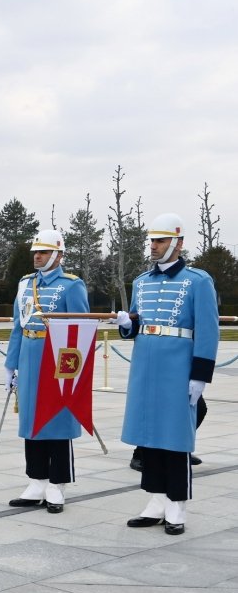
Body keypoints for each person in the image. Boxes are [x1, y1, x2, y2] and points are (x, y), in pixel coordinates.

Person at [117, 213, 218, 536]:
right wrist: (127, 326)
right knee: (148, 435)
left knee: (175, 438)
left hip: (178, 369)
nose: (154, 247)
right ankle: (156, 501)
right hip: (145, 368)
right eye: (152, 241)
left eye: (160, 241)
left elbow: (207, 329)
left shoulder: (197, 280)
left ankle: (176, 505)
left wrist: (200, 374)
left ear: (177, 242)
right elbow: (138, 324)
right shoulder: (141, 282)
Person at [4, 230, 89, 513]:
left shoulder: (71, 286)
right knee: (31, 419)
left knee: (57, 419)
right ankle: (36, 480)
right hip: (29, 355)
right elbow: (19, 326)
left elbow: (81, 329)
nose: (36, 256)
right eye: (35, 252)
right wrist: (11, 364)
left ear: (58, 254)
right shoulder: (25, 284)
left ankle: (57, 484)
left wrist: (73, 370)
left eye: (42, 252)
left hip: (57, 359)